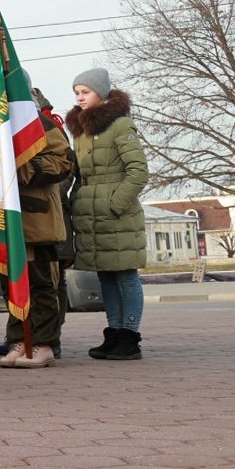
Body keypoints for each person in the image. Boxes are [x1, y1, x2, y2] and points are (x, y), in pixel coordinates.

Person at [67, 68, 149, 361]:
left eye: (85, 91)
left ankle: (130, 336)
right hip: (91, 216)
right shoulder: (80, 130)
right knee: (106, 277)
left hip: (117, 215)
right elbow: (77, 174)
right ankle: (113, 333)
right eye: (77, 92)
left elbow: (138, 171)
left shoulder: (120, 125)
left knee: (126, 276)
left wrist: (115, 204)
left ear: (101, 93)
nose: (79, 96)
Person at [0, 89, 74, 368]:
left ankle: (42, 343)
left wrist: (18, 166)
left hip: (37, 220)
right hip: (1, 220)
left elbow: (63, 162)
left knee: (40, 285)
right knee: (12, 286)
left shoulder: (43, 125)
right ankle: (19, 340)